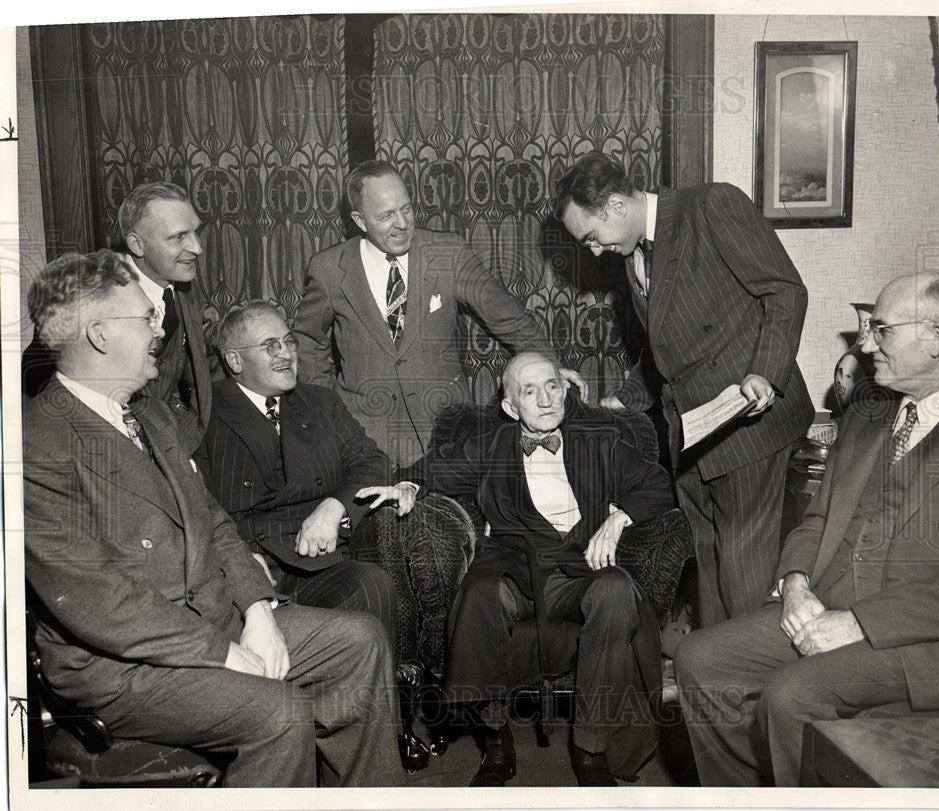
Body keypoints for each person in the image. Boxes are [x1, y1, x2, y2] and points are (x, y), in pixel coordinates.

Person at [23, 249, 400, 787]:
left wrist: (258, 610)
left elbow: (216, 524)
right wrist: (224, 653)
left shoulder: (151, 414)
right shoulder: (36, 442)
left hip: (210, 620)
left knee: (359, 641)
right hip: (125, 667)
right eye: (146, 317)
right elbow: (99, 604)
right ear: (101, 334)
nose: (159, 330)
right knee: (281, 712)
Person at [672, 273, 939, 786]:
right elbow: (817, 518)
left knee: (791, 695)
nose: (866, 345)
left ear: (936, 339)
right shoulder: (868, 417)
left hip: (922, 642)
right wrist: (796, 582)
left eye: (882, 330)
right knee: (699, 660)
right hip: (824, 605)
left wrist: (858, 624)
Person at [358, 352, 677, 787]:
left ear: (564, 391)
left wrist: (619, 520)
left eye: (552, 387)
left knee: (618, 591)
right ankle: (496, 741)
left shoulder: (599, 442)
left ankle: (590, 749)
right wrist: (407, 486)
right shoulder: (491, 445)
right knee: (479, 597)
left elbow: (658, 483)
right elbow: (429, 469)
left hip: (580, 571)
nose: (545, 400)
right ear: (511, 407)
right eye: (530, 391)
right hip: (514, 569)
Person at [553, 151, 814, 628]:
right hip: (693, 434)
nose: (592, 251)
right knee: (709, 563)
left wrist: (765, 372)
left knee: (743, 567)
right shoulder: (633, 256)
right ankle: (715, 685)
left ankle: (754, 681)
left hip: (750, 422)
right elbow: (670, 345)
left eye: (591, 237)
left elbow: (785, 290)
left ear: (615, 205)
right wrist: (625, 399)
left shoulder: (712, 205)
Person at [293, 160, 585, 467]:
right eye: (386, 216)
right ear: (360, 220)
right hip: (366, 438)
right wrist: (330, 408)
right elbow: (307, 341)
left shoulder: (448, 253)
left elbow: (509, 318)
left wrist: (549, 369)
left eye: (406, 209)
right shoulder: (328, 269)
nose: (403, 224)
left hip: (446, 431)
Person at [195, 300, 397, 641]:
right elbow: (195, 502)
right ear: (234, 360)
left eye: (288, 341)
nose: (286, 354)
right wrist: (238, 563)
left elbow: (372, 462)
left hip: (317, 561)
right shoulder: (205, 412)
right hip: (247, 567)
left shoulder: (319, 402)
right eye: (270, 345)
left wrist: (334, 508)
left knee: (373, 584)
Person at [22, 182, 215, 456]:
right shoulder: (90, 286)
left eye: (195, 232)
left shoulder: (183, 285)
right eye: (179, 237)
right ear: (137, 244)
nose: (196, 248)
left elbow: (194, 372)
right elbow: (37, 381)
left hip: (172, 448)